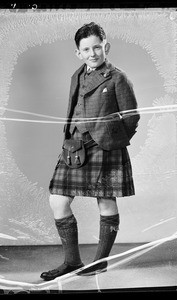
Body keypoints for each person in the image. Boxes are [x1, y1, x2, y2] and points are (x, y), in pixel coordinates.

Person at [40, 22, 140, 281]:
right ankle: (72, 262)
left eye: (97, 47)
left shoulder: (118, 77)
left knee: (105, 201)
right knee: (58, 201)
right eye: (86, 49)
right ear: (79, 53)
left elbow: (132, 117)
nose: (92, 53)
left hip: (104, 146)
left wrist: (111, 140)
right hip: (74, 145)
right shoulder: (76, 75)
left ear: (105, 46)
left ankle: (100, 262)